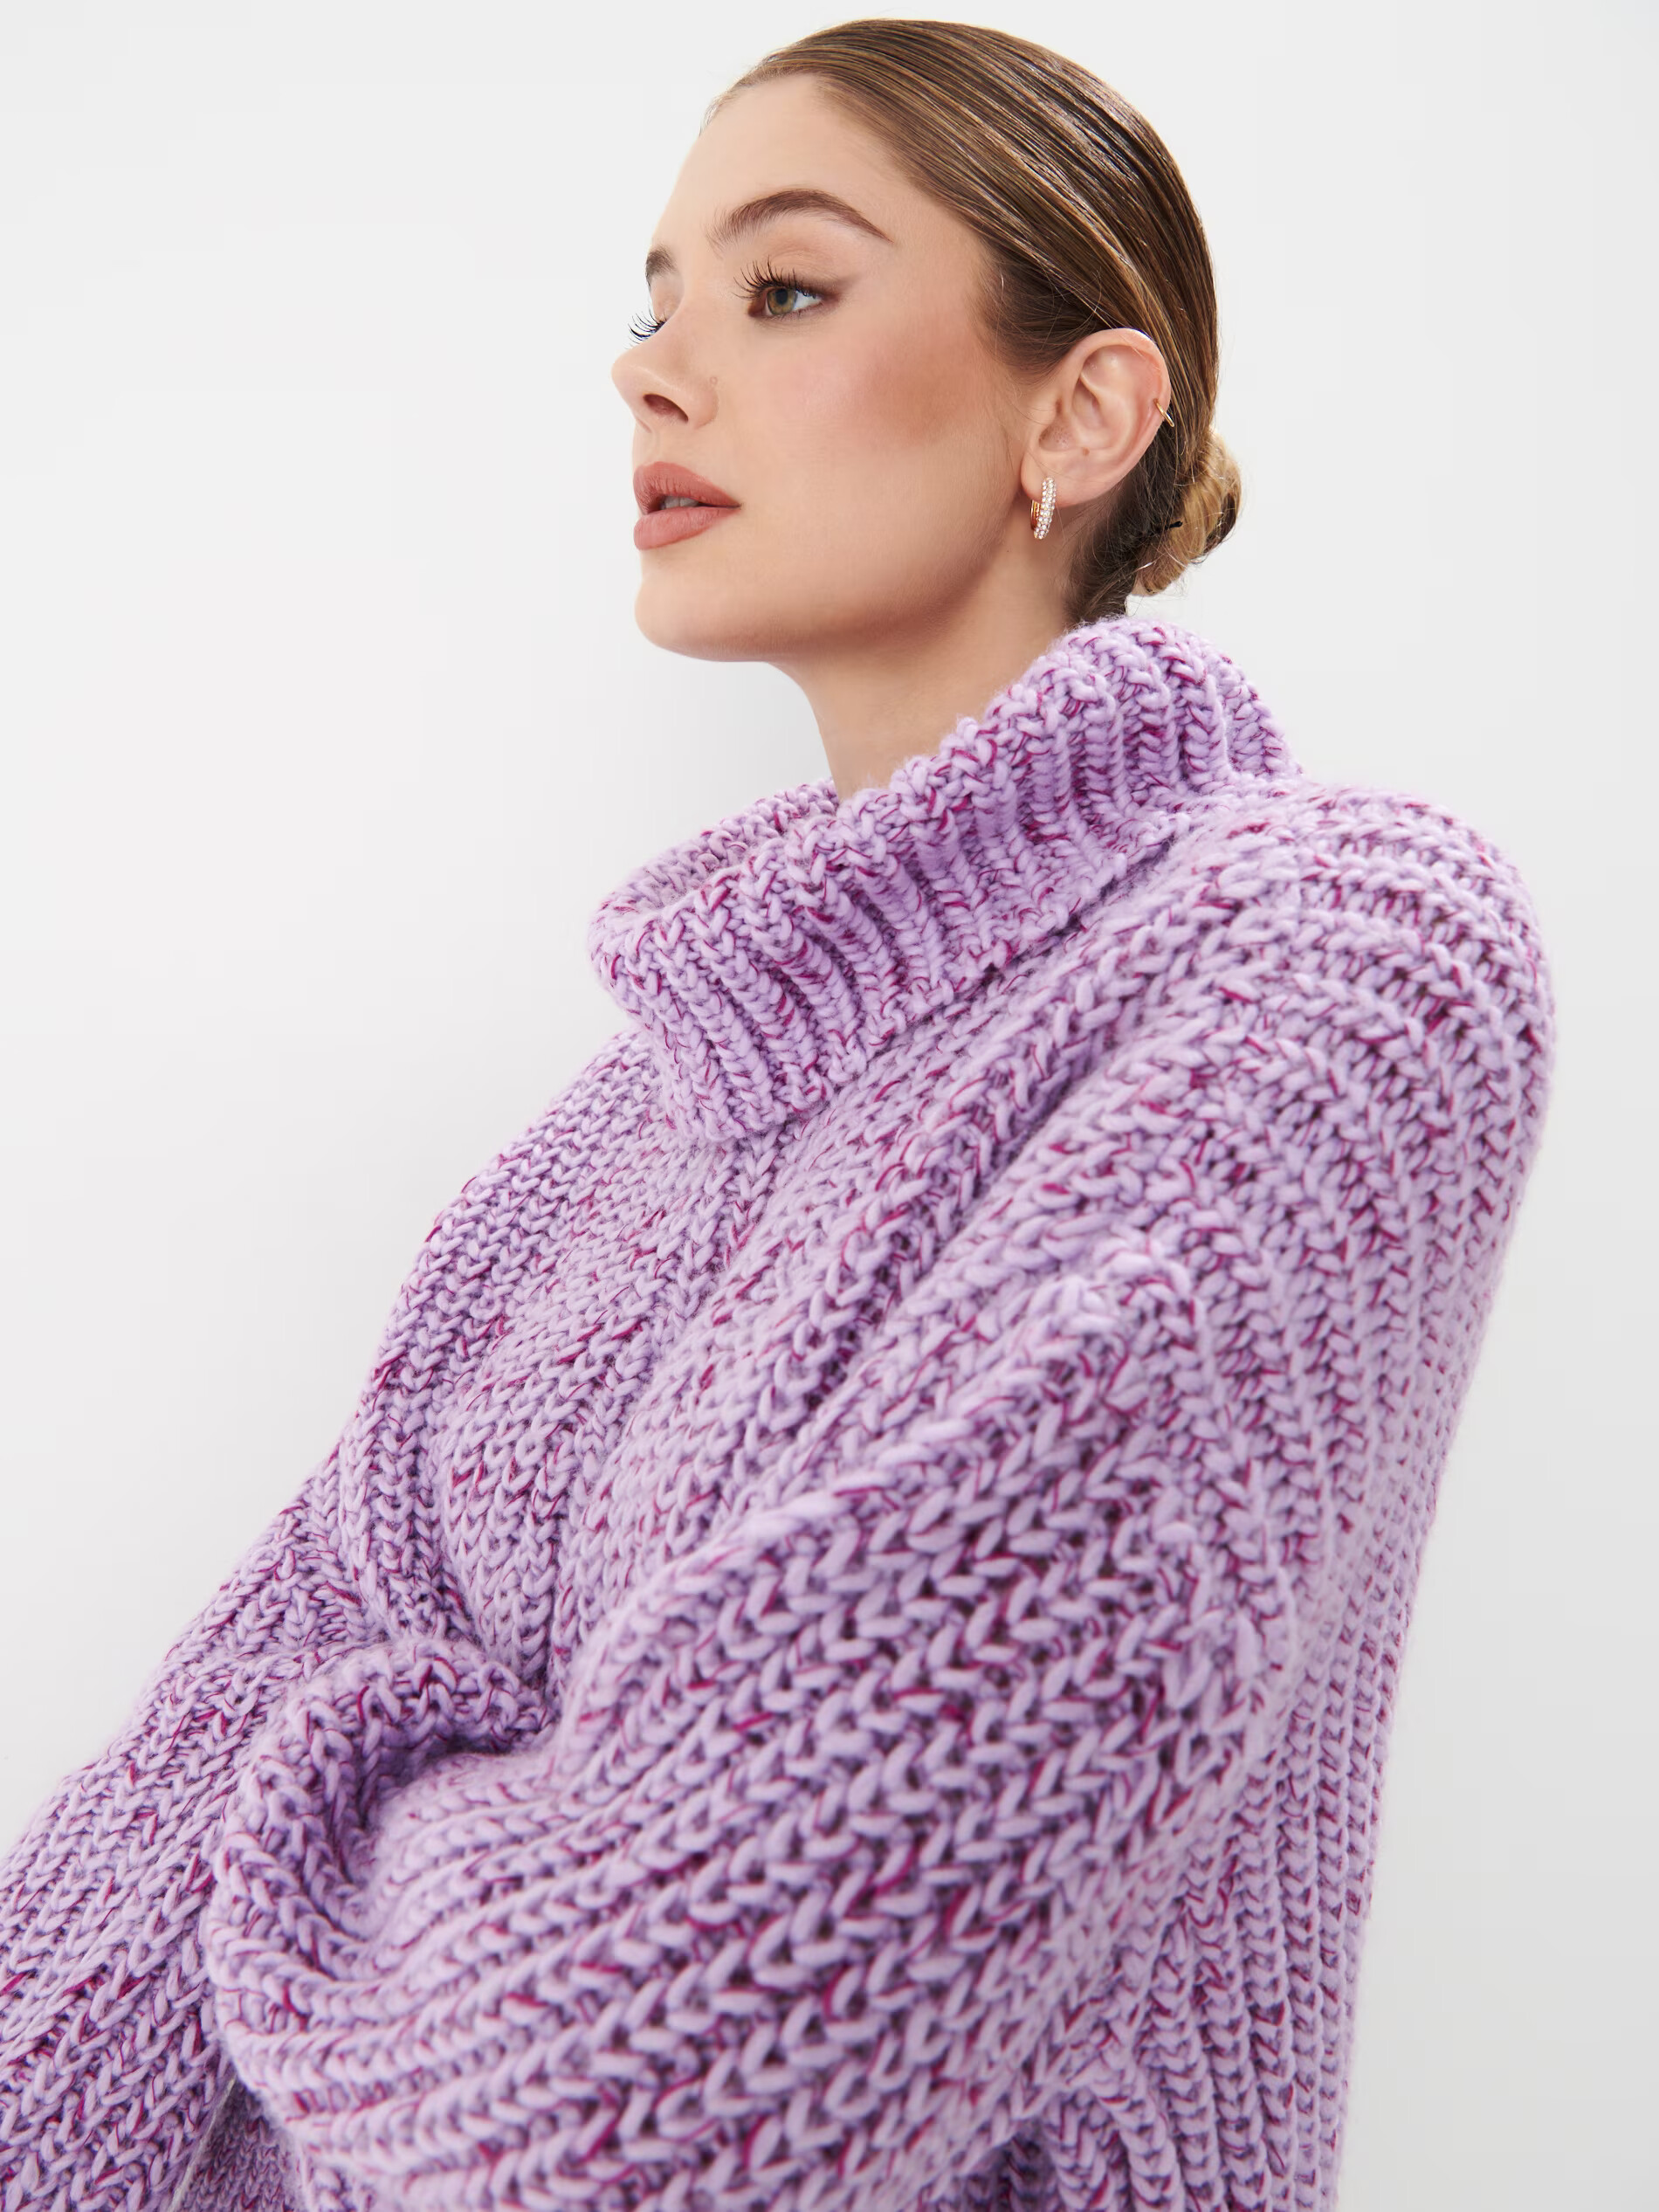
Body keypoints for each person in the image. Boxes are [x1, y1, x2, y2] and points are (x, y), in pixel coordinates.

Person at [0, 18, 1552, 2212]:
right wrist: (480, 1801)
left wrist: (337, 1768)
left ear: (1078, 415)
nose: (648, 371)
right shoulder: (591, 1157)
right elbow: (66, 1983)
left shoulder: (1330, 956)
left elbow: (655, 2081)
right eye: (651, 303)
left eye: (784, 286)